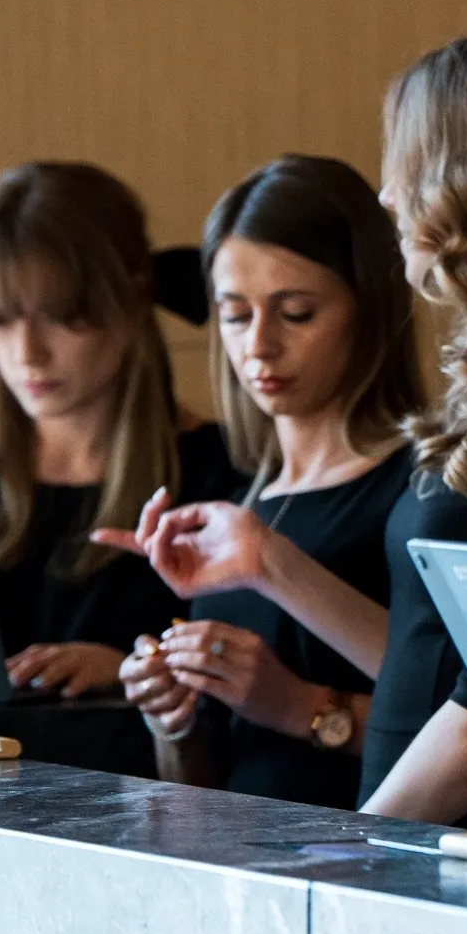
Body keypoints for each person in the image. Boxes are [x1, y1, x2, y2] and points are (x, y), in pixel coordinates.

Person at [104, 26, 467, 828]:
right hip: (424, 856)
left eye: (405, 163)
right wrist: (266, 561)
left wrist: (357, 861)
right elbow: (429, 658)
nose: (386, 194)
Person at [115, 155, 420, 809]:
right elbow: (202, 789)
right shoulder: (241, 492)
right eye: (234, 314)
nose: (259, 345)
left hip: (378, 872)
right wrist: (174, 717)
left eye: (297, 313)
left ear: (368, 309)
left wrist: (301, 707)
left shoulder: (426, 485)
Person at [0, 161, 231, 699]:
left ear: (132, 299)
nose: (27, 354)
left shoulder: (216, 470)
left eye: (60, 317)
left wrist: (131, 671)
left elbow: (234, 682)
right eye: (1, 319)